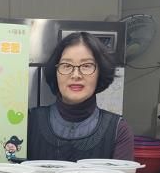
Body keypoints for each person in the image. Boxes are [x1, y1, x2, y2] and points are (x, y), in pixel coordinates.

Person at [27, 31, 134, 161]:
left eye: (86, 66)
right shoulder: (29, 122)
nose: (76, 75)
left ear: (100, 72)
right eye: (66, 65)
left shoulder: (118, 130)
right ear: (55, 72)